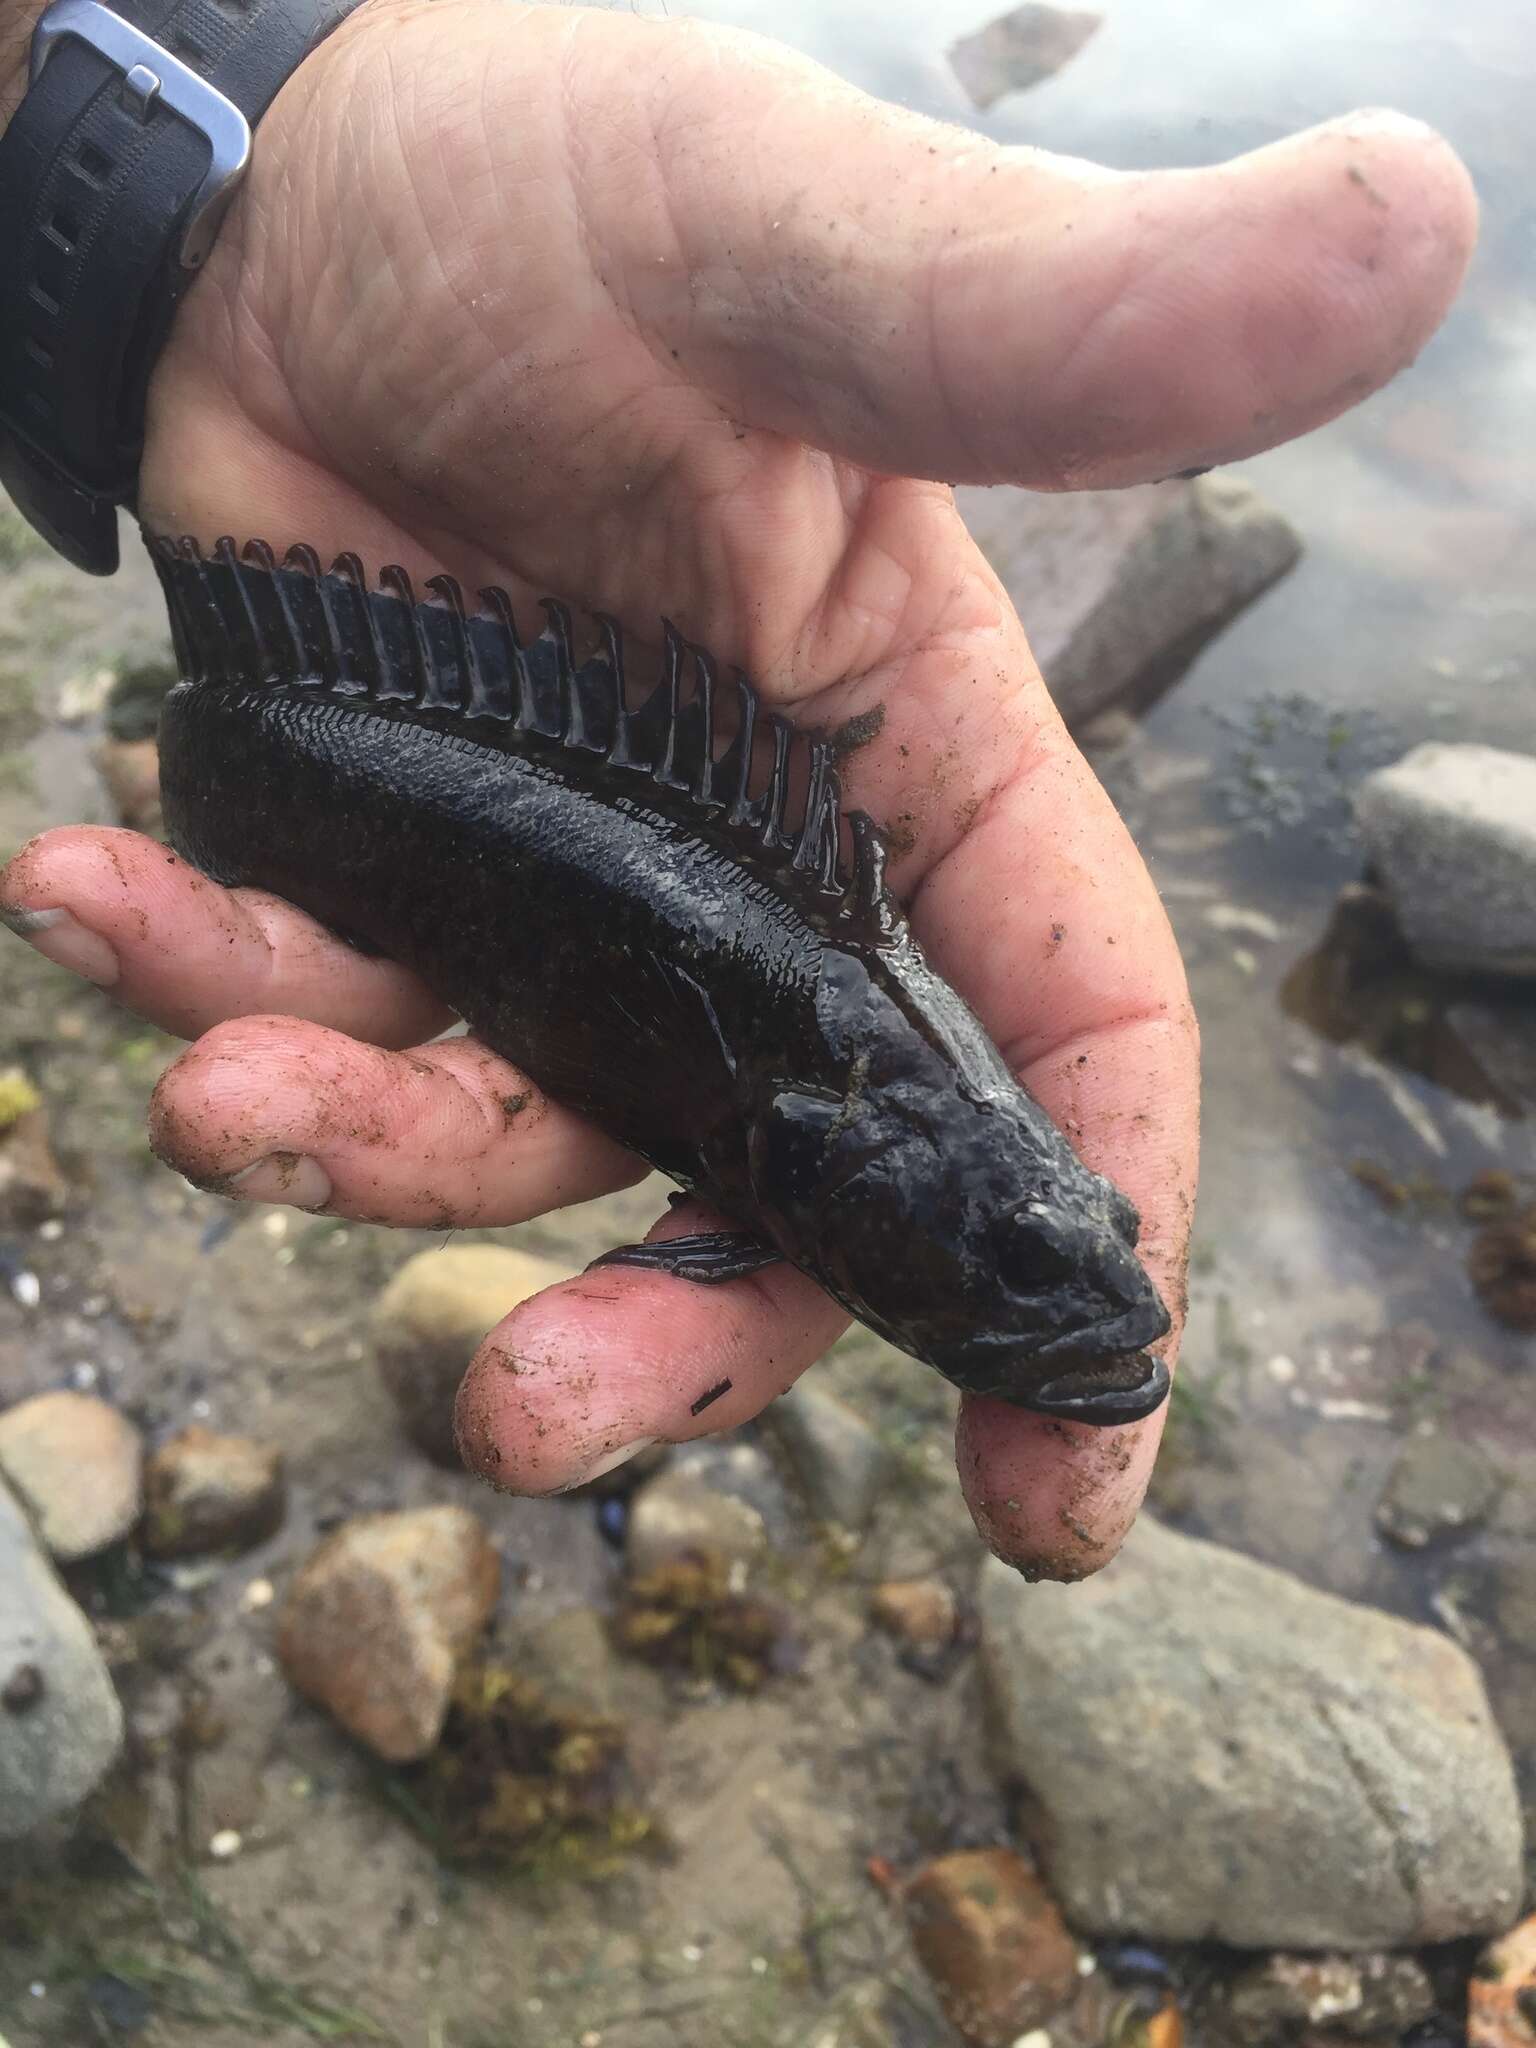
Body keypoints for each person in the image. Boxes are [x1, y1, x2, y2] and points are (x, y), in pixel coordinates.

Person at [0, 0, 1477, 1578]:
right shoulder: (804, 1115)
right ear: (776, 1185)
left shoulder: (830, 1105)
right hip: (278, 734)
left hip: (279, 723)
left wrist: (182, 91)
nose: (1090, 1312)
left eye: (1034, 1261)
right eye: (1018, 1261)